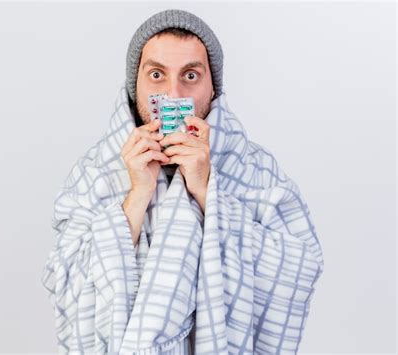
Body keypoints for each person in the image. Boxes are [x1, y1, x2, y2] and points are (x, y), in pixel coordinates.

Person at [42, 9, 325, 354]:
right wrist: (137, 195)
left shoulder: (256, 167)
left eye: (190, 75)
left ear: (212, 86)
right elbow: (65, 281)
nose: (173, 94)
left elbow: (299, 269)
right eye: (157, 74)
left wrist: (208, 192)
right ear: (136, 84)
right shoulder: (94, 171)